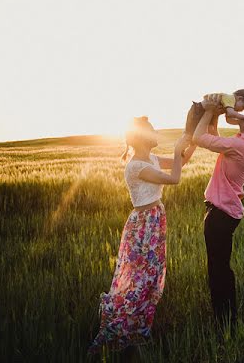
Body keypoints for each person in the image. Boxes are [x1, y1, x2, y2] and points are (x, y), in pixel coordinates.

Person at [89, 117, 195, 354]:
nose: (157, 133)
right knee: (140, 278)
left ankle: (138, 329)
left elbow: (183, 161)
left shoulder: (152, 159)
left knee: (151, 274)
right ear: (143, 137)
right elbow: (174, 178)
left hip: (155, 219)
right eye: (152, 130)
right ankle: (123, 329)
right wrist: (178, 149)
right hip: (143, 226)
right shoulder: (136, 166)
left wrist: (193, 140)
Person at [192, 95, 244, 328]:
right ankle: (228, 317)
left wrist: (208, 110)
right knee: (221, 268)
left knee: (218, 271)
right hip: (225, 215)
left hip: (220, 216)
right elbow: (214, 139)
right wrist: (215, 115)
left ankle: (224, 323)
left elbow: (199, 138)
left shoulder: (240, 146)